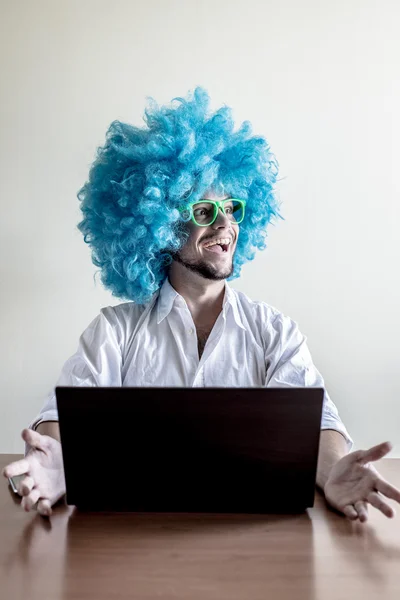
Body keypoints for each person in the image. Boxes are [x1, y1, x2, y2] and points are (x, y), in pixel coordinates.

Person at [3, 88, 400, 521]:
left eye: (232, 208)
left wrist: (332, 470)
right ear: (159, 222)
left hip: (250, 542)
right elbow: (59, 415)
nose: (226, 223)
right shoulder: (115, 331)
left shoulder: (274, 331)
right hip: (132, 540)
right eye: (205, 210)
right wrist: (60, 461)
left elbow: (317, 421)